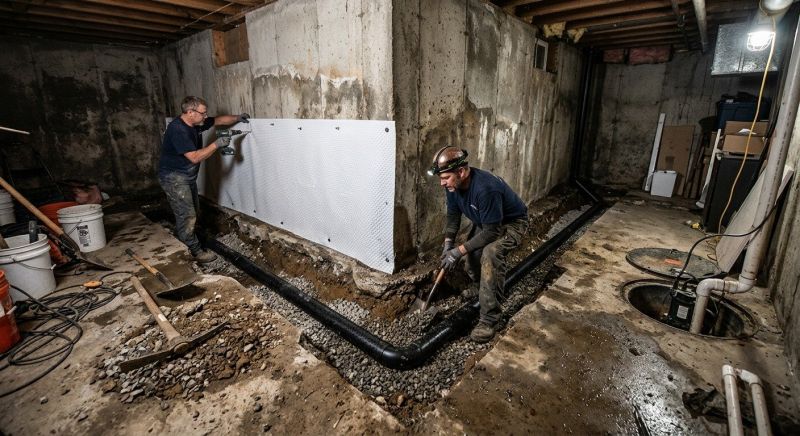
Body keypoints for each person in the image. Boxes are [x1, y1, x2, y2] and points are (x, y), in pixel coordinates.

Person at [430, 146, 528, 343]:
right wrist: (448, 244)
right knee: (472, 253)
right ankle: (479, 286)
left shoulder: (485, 188)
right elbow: (453, 215)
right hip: (487, 223)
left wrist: (457, 252)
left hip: (511, 223)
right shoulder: (453, 185)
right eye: (441, 178)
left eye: (446, 177)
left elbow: (492, 232)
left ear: (462, 171)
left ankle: (489, 319)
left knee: (490, 253)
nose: (442, 183)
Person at [158, 96, 250, 263]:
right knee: (187, 214)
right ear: (190, 112)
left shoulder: (196, 123)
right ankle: (194, 251)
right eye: (203, 113)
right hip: (174, 178)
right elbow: (194, 157)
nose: (206, 116)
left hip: (186, 176)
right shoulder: (178, 130)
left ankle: (188, 236)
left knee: (193, 211)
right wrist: (216, 144)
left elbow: (219, 120)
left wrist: (238, 117)